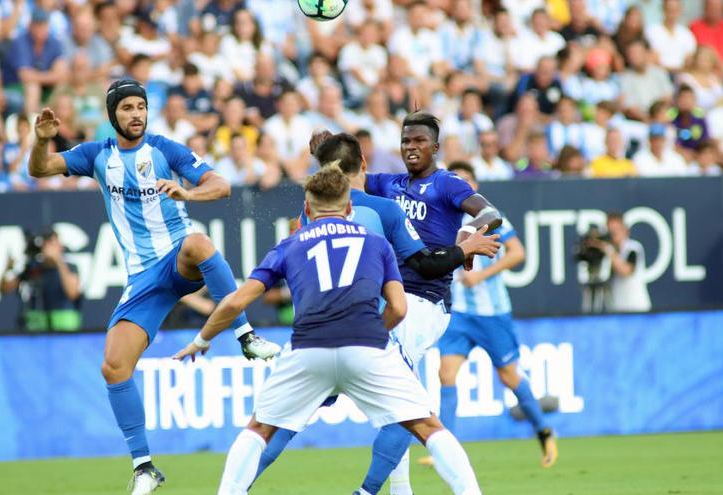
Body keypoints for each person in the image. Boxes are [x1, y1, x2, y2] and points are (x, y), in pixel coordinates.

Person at [26, 79, 280, 495]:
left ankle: (246, 335)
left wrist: (187, 192)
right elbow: (39, 169)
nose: (136, 114)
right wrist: (39, 141)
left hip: (178, 254)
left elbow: (221, 185)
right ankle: (144, 466)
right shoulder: (96, 155)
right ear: (114, 116)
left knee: (199, 242)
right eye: (126, 107)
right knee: (113, 366)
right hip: (143, 278)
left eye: (140, 106)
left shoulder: (166, 149)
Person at [173, 166, 484, 495]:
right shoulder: (377, 243)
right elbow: (399, 307)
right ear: (350, 208)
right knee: (427, 425)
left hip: (309, 348)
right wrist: (375, 334)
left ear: (307, 209)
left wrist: (201, 339)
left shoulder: (290, 244)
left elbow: (236, 302)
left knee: (259, 428)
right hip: (367, 345)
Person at [249, 132, 501, 492]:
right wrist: (464, 247)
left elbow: (261, 287)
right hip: (372, 329)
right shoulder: (381, 209)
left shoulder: (303, 220)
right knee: (414, 416)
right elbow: (425, 269)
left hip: (315, 333)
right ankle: (369, 491)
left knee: (275, 424)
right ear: (363, 164)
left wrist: (212, 333)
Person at [358, 111, 504, 495]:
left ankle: (369, 491)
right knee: (399, 402)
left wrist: (466, 236)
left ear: (435, 148)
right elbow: (348, 180)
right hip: (392, 301)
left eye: (419, 141)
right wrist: (326, 150)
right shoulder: (388, 184)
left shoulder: (447, 184)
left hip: (423, 302)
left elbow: (492, 214)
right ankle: (400, 490)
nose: (411, 147)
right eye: (406, 141)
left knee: (400, 402)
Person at [430, 161, 558, 469]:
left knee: (509, 375)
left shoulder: (490, 216)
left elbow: (517, 252)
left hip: (491, 312)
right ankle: (448, 448)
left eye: (467, 182)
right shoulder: (444, 219)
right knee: (445, 374)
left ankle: (544, 431)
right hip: (458, 312)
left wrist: (482, 276)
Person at [0, 229, 82, 331]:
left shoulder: (70, 267)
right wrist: (8, 268)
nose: (49, 248)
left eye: (53, 244)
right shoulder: (33, 268)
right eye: (46, 244)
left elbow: (73, 293)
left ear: (60, 246)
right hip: (37, 332)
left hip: (64, 332)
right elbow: (4, 289)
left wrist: (58, 260)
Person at [588, 212, 652, 312]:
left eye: (616, 231)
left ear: (626, 231)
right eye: (610, 231)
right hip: (617, 310)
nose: (613, 235)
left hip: (636, 309)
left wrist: (607, 249)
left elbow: (625, 271)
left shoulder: (633, 248)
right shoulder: (607, 253)